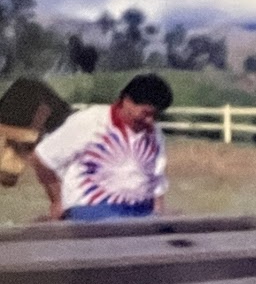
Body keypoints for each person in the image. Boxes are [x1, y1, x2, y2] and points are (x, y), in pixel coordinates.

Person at [30, 72, 172, 221]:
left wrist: (157, 218)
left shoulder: (155, 134)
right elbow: (42, 158)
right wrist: (57, 201)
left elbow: (157, 182)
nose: (150, 121)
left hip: (142, 211)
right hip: (91, 211)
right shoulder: (91, 121)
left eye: (156, 116)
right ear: (127, 101)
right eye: (146, 113)